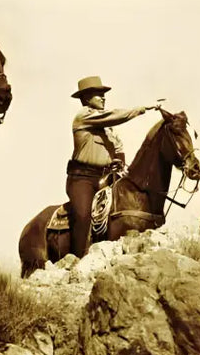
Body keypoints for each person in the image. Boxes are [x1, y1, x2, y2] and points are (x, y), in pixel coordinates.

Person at [66, 75, 157, 257]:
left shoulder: (108, 130)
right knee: (83, 216)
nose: (103, 97)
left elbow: (119, 148)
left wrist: (118, 162)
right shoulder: (83, 116)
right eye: (98, 94)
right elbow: (114, 116)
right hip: (82, 179)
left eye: (103, 94)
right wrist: (142, 109)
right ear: (85, 99)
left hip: (105, 177)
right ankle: (77, 258)